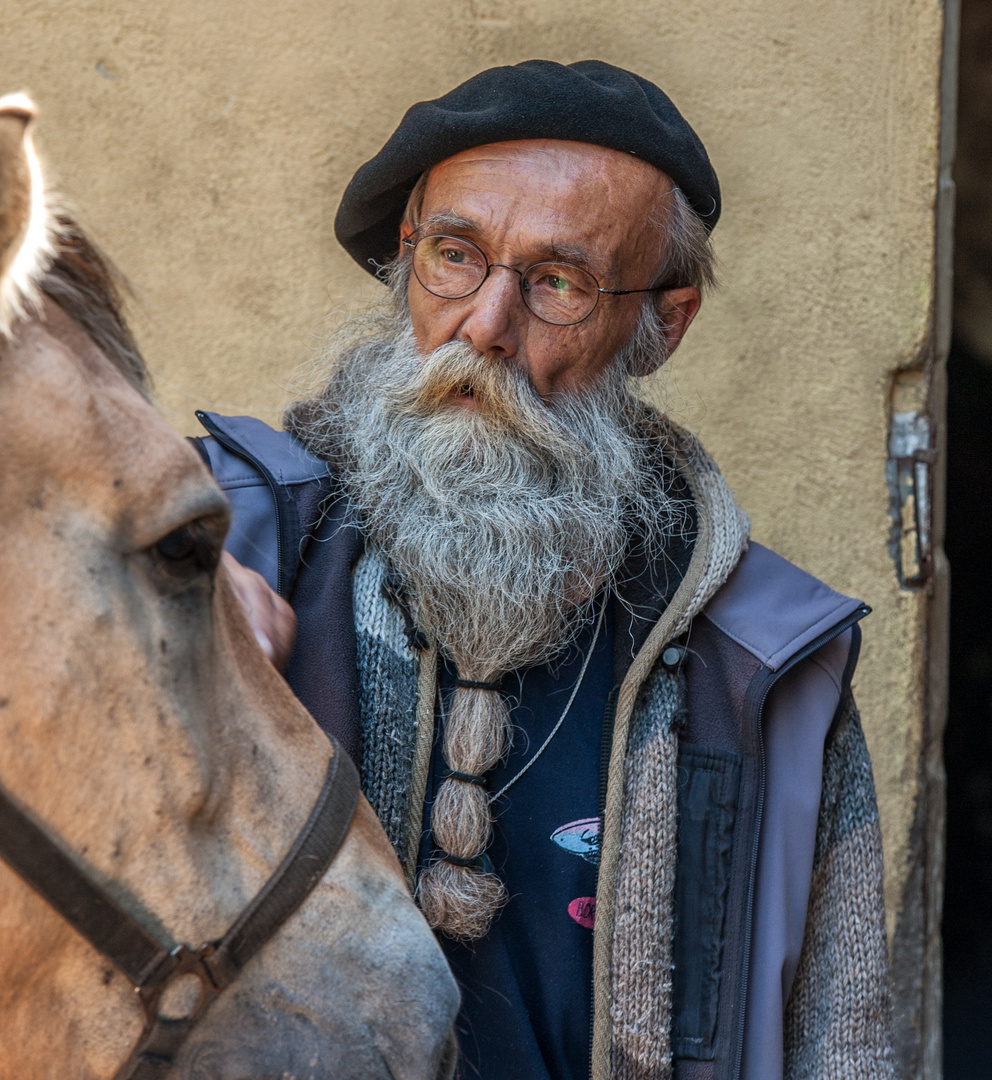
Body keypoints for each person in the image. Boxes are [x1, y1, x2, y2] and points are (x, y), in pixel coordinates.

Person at [193, 60, 894, 1080]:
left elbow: (845, 1047)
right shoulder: (220, 548)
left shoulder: (765, 665)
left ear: (661, 323)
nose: (482, 324)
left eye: (556, 283)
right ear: (404, 260)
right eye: (454, 255)